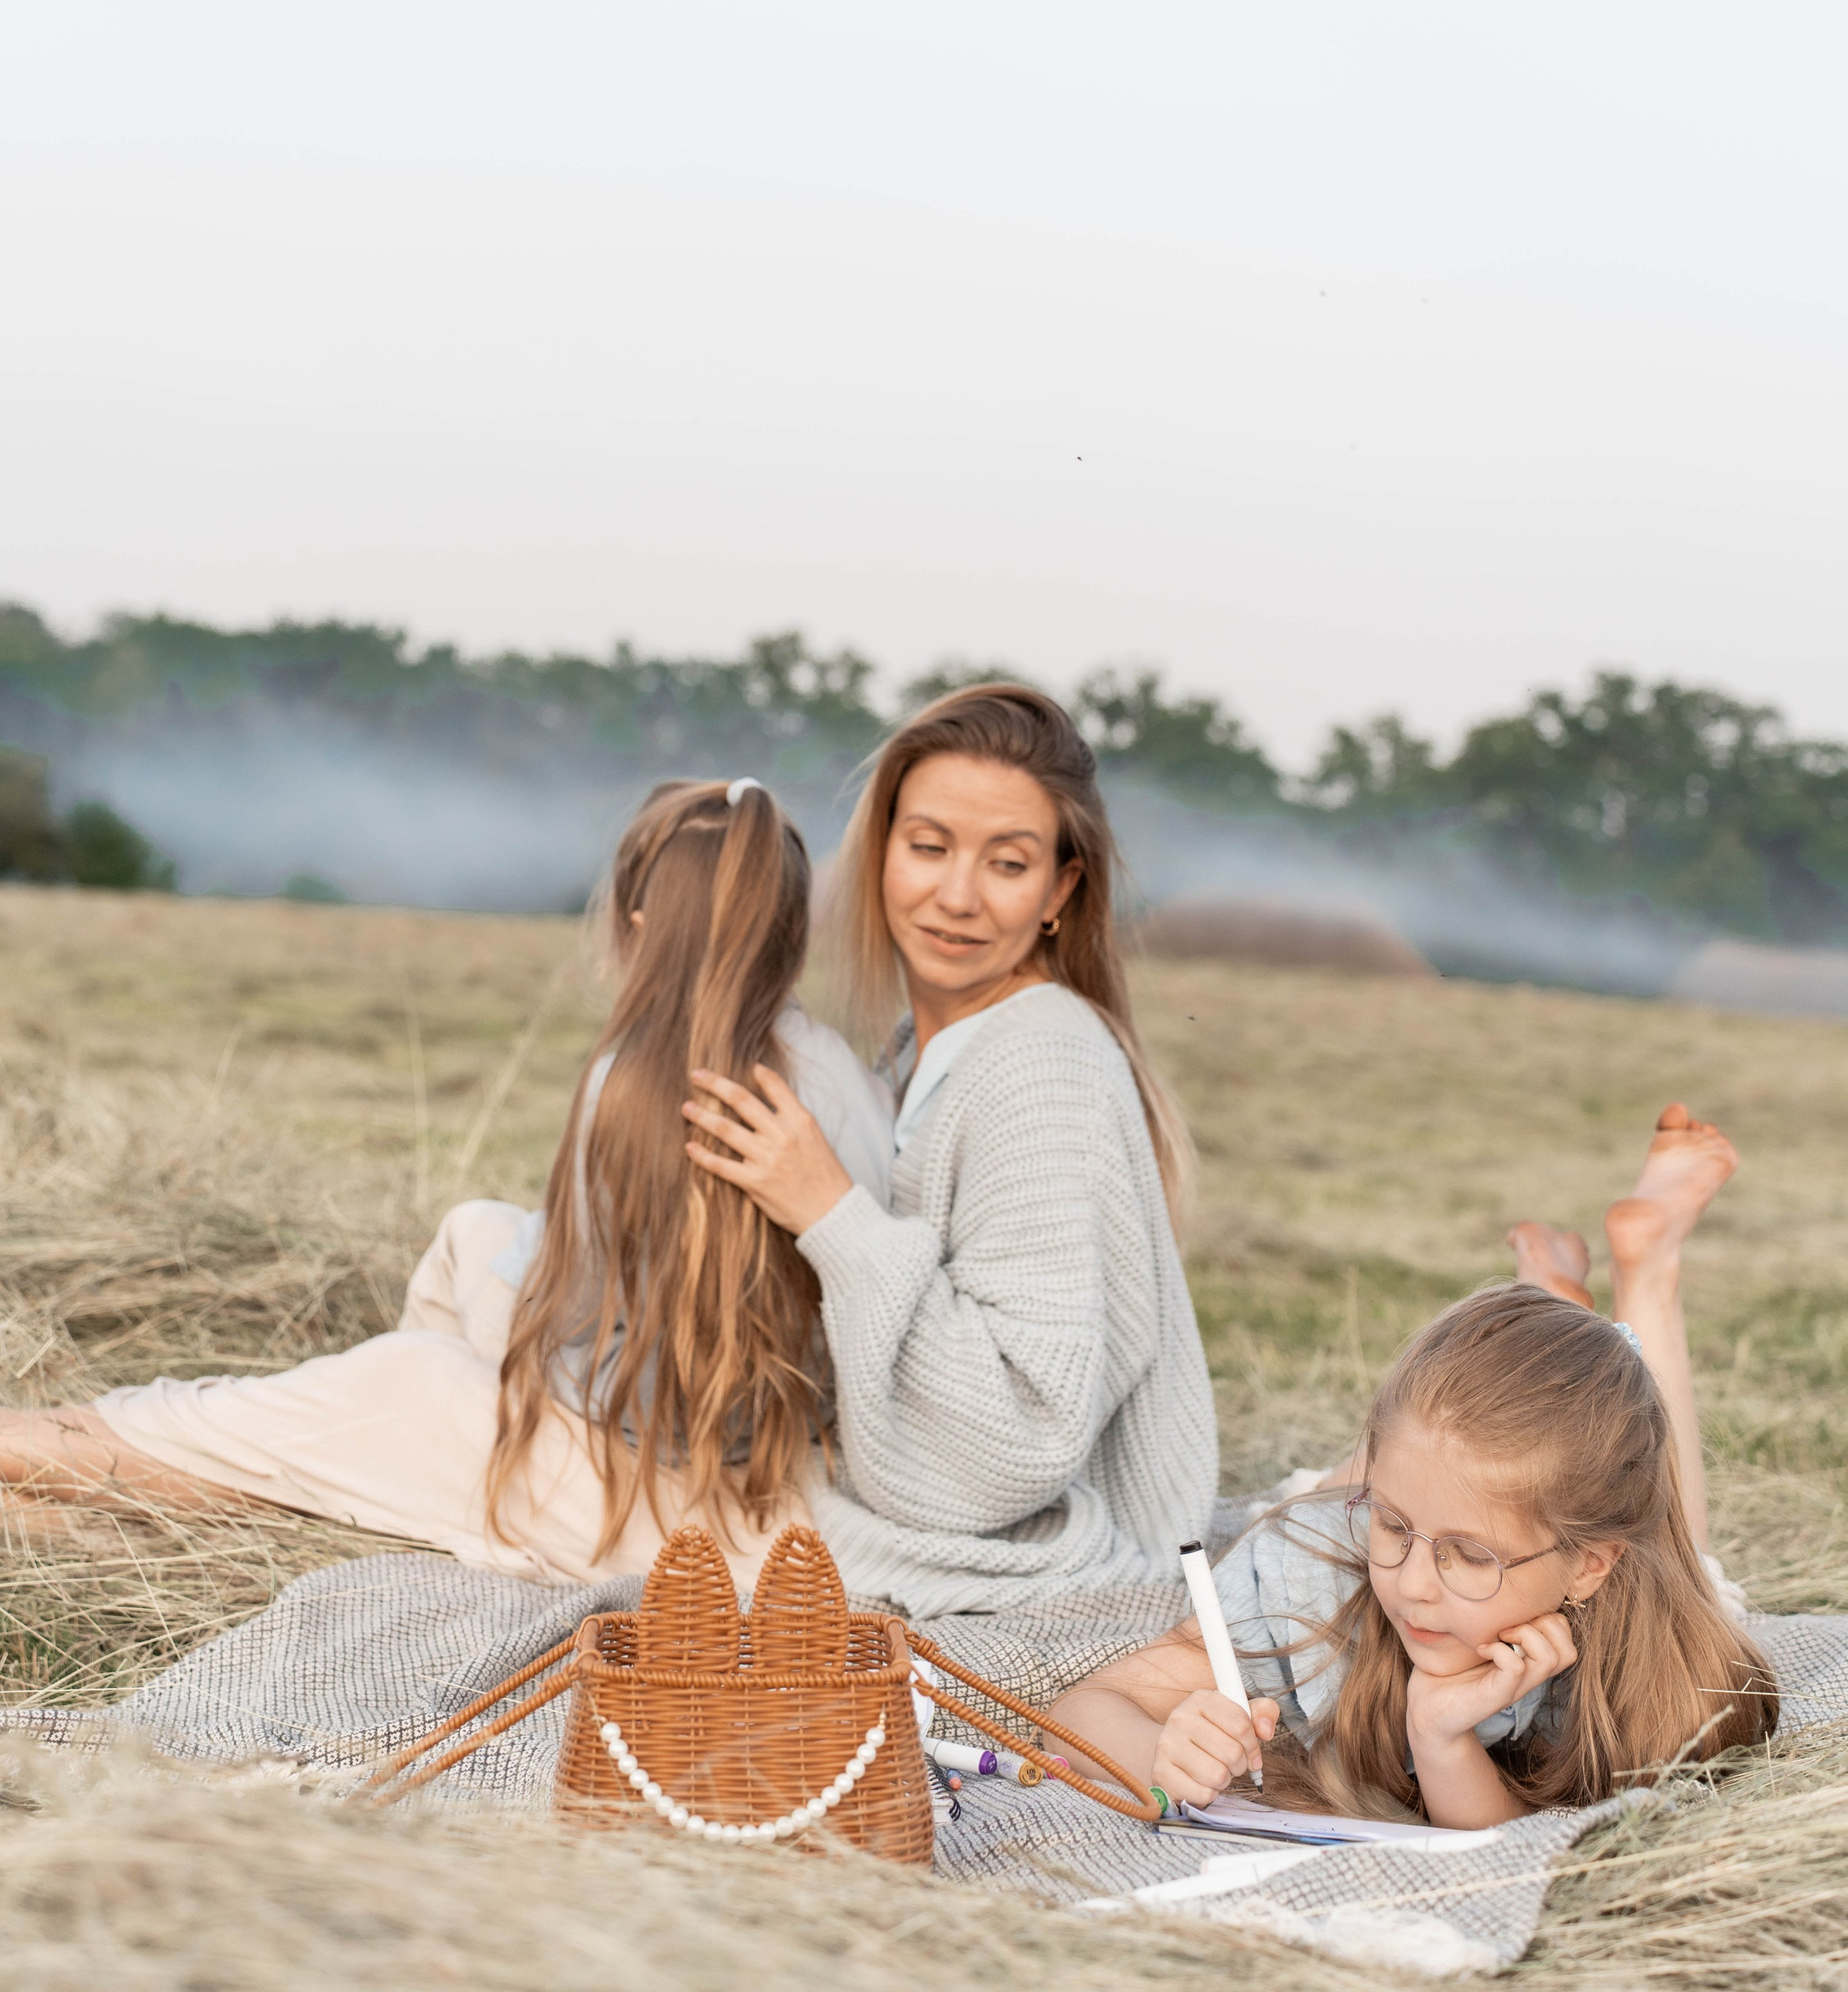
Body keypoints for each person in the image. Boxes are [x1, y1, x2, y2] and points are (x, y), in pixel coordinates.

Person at [0, 779, 893, 1583]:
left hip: (669, 1500)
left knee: (354, 1391)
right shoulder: (839, 1077)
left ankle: (73, 1455)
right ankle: (365, 1496)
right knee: (473, 1230)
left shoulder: (634, 1081)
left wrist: (502, 1328)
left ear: (640, 923)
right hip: (777, 1473)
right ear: (786, 929)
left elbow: (610, 1372)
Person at [1046, 1106, 1777, 1824]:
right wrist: (1159, 1752)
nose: (1413, 1586)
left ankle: (1644, 1272)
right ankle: (1550, 1308)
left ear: (1589, 1567)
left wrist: (1439, 1734)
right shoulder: (1309, 1585)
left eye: (1468, 1556)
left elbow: (1502, 1846)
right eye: (1392, 1526)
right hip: (1359, 1507)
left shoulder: (1638, 1655)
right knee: (1411, 1477)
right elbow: (1080, 1715)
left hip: (1606, 1561)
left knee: (1690, 1556)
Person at [679, 683, 1219, 1614]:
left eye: (1007, 864)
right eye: (928, 847)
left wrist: (829, 1212)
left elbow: (1016, 1442)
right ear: (882, 849)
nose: (956, 896)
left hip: (1028, 1546)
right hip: (918, 1495)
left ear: (1058, 891)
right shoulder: (913, 1044)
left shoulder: (1040, 1064)